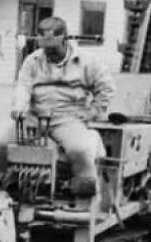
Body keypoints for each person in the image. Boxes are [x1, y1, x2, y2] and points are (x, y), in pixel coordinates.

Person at [8, 16, 115, 196]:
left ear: (64, 38)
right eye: (45, 48)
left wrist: (93, 112)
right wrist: (19, 105)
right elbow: (23, 86)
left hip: (67, 118)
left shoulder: (87, 61)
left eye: (53, 48)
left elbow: (106, 88)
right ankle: (15, 192)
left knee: (79, 150)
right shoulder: (32, 61)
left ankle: (84, 193)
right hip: (35, 118)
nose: (48, 53)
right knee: (5, 151)